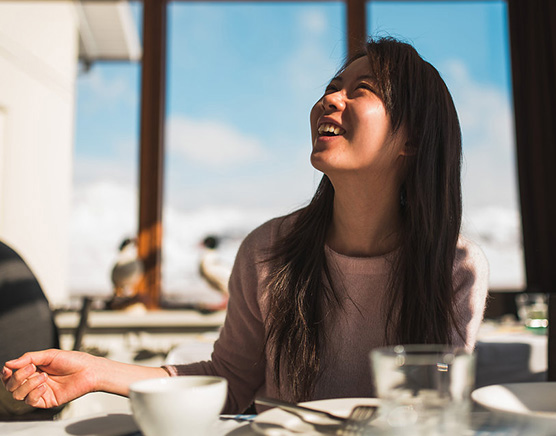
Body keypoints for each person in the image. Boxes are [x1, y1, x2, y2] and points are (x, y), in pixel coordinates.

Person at [2, 37, 489, 414]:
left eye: (360, 91)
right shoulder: (269, 250)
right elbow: (231, 382)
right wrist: (94, 372)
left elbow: (435, 412)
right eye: (330, 88)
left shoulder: (455, 266)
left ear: (414, 138)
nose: (329, 100)